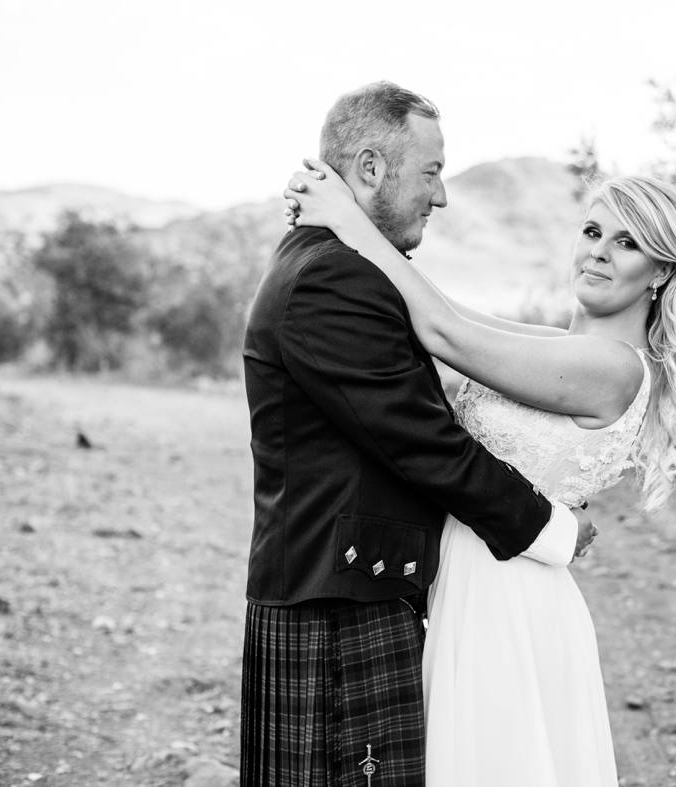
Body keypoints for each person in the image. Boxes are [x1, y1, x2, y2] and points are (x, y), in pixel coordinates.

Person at [283, 153, 676, 786]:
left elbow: (446, 335)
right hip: (473, 582)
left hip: (507, 602)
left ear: (660, 272)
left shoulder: (615, 368)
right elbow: (448, 315)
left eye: (628, 243)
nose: (598, 252)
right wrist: (352, 224)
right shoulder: (561, 346)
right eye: (593, 232)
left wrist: (348, 220)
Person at [241, 81, 596, 787]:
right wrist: (553, 529)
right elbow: (426, 445)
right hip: (337, 611)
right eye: (431, 173)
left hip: (346, 594)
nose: (440, 197)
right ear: (370, 169)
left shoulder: (341, 264)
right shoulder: (332, 281)